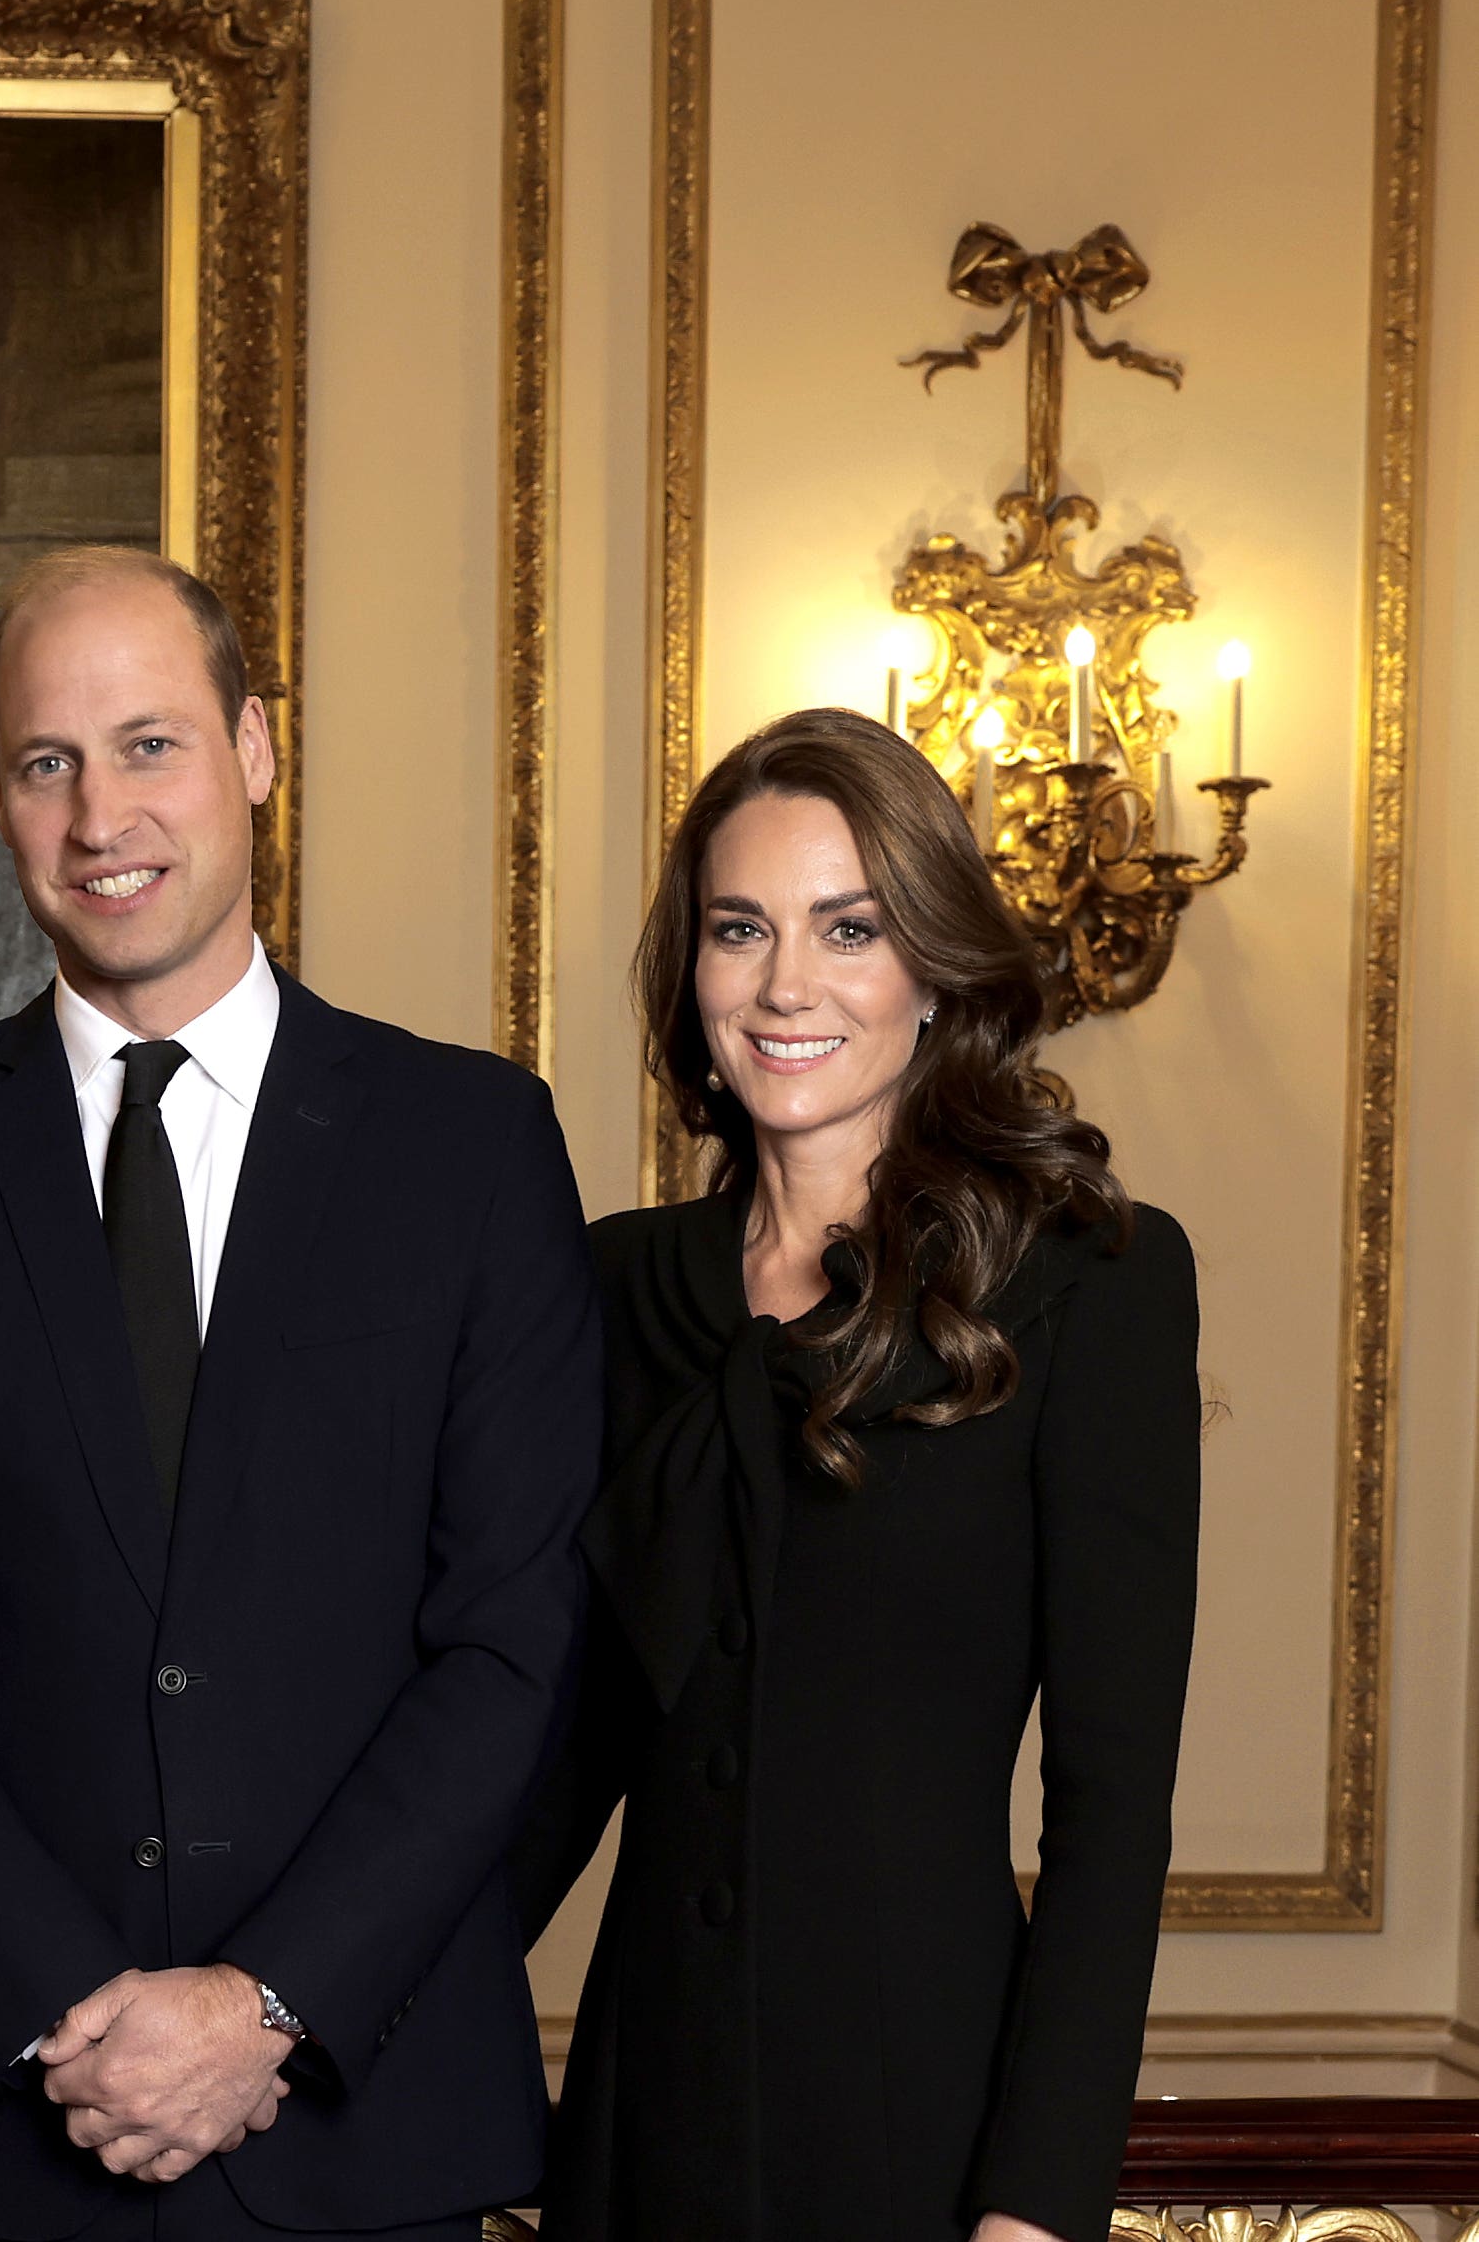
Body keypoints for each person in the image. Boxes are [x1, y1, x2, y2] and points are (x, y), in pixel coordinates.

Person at [0, 546, 602, 2241]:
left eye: (149, 744)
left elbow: (512, 1637)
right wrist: (78, 2011)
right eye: (43, 760)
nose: (97, 813)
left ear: (256, 748)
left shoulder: (473, 1149)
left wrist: (265, 2001)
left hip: (369, 2139)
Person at [512, 707, 1199, 2242]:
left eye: (849, 928)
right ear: (690, 973)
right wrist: (303, 2018)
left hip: (925, 2126)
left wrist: (1036, 2207)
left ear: (935, 967)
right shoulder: (615, 1287)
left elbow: (1113, 1807)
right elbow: (550, 1750)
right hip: (642, 2119)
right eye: (739, 928)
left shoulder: (1094, 1282)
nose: (785, 986)